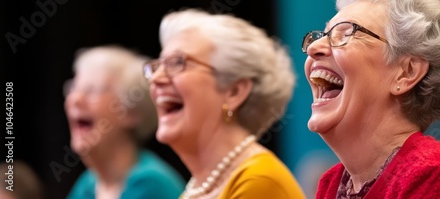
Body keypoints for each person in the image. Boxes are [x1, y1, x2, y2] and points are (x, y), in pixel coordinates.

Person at [301, 0, 440, 198]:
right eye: (323, 35)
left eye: (346, 34)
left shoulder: (437, 173)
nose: (314, 47)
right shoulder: (332, 183)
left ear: (406, 72)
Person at [144, 9, 305, 199]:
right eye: (157, 66)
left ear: (234, 92)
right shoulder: (197, 188)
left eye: (177, 63)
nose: (156, 78)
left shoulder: (258, 182)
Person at [64, 45, 184, 199]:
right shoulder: (86, 186)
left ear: (131, 112)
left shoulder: (151, 185)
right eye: (73, 88)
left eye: (92, 90)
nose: (75, 100)